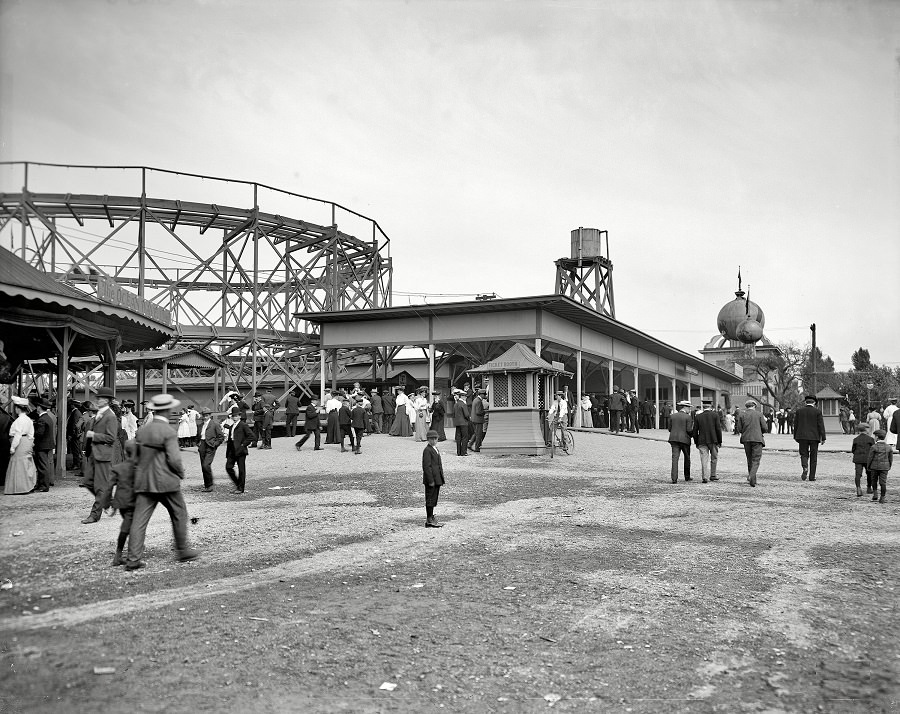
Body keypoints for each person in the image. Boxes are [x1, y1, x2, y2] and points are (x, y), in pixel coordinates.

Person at [124, 393, 199, 570]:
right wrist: (180, 473)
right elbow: (174, 459)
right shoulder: (168, 431)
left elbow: (131, 449)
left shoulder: (143, 430)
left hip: (145, 481)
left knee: (139, 520)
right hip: (166, 482)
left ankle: (133, 559)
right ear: (166, 410)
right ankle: (182, 550)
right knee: (179, 513)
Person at [82, 387, 119, 523]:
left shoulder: (110, 416)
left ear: (108, 401)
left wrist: (94, 435)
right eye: (97, 398)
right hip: (94, 453)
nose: (98, 400)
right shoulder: (100, 414)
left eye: (101, 398)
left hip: (103, 454)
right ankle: (107, 501)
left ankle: (94, 515)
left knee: (100, 486)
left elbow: (111, 438)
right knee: (87, 482)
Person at [109, 440, 137, 566]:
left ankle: (126, 553)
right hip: (133, 503)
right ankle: (120, 556)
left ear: (125, 452)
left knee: (129, 526)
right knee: (127, 528)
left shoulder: (118, 468)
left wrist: (107, 504)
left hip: (120, 504)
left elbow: (108, 487)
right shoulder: (139, 468)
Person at [5, 396, 37, 495]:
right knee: (27, 464)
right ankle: (29, 485)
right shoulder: (28, 420)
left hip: (20, 442)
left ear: (18, 408)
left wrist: (12, 447)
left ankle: (19, 488)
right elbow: (31, 434)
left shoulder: (19, 421)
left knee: (18, 466)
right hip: (27, 442)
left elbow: (17, 435)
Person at [794, 394, 827, 482]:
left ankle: (805, 467)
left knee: (803, 454)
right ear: (814, 402)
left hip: (802, 436)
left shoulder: (799, 411)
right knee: (814, 457)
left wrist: (795, 436)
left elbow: (796, 425)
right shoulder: (817, 412)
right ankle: (812, 476)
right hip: (814, 437)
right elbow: (821, 425)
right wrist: (823, 437)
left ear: (806, 402)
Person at [737, 399, 768, 487]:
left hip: (746, 439)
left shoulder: (741, 414)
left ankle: (753, 481)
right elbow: (765, 428)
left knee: (749, 459)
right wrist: (759, 432)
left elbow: (739, 428)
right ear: (754, 406)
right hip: (757, 439)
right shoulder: (759, 414)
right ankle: (751, 476)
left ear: (746, 406)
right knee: (756, 459)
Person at [224, 406, 253, 494]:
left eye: (236, 416)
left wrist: (243, 444)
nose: (235, 417)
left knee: (241, 469)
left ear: (240, 416)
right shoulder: (232, 426)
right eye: (233, 416)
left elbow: (251, 436)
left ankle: (241, 488)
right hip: (232, 449)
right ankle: (237, 484)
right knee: (228, 467)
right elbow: (231, 438)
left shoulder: (243, 425)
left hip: (240, 449)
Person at [693, 398, 722, 483]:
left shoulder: (698, 416)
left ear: (703, 406)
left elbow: (695, 431)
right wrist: (719, 441)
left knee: (704, 459)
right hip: (713, 440)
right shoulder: (715, 415)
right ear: (710, 406)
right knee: (714, 458)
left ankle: (704, 476)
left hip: (702, 441)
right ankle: (713, 475)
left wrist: (696, 442)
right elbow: (718, 429)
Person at [196, 407, 224, 492]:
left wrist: (215, 444)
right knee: (203, 466)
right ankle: (207, 484)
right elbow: (198, 436)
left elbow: (221, 437)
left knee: (206, 465)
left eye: (207, 415)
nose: (205, 417)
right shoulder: (200, 425)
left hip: (210, 446)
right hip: (202, 445)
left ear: (210, 415)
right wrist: (198, 443)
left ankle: (210, 485)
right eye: (204, 415)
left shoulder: (214, 424)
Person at [32, 397, 56, 492]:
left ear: (39, 407)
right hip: (47, 444)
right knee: (43, 465)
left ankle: (44, 486)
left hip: (42, 445)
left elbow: (39, 433)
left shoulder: (42, 419)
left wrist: (32, 435)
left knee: (42, 466)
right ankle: (41, 484)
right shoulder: (48, 417)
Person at [422, 429, 445, 528]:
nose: (434, 441)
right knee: (430, 499)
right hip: (431, 480)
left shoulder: (435, 449)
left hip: (437, 478)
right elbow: (426, 467)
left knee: (434, 498)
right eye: (431, 439)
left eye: (435, 439)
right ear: (428, 439)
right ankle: (429, 518)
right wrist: (430, 480)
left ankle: (431, 516)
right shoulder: (427, 450)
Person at [668, 400, 693, 484]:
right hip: (685, 440)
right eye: (689, 408)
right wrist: (693, 435)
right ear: (685, 407)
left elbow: (669, 429)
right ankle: (687, 476)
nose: (690, 409)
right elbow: (689, 430)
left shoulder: (672, 416)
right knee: (687, 458)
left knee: (675, 459)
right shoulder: (688, 417)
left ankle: (674, 478)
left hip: (674, 439)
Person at [867, 429, 892, 503]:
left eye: (875, 436)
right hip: (885, 467)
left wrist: (869, 466)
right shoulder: (888, 447)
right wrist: (889, 466)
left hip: (874, 467)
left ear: (877, 437)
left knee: (874, 480)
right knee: (883, 482)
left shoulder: (873, 447)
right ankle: (882, 497)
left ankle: (875, 494)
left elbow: (870, 458)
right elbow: (890, 458)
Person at [851, 424, 875, 497]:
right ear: (865, 430)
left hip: (858, 459)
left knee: (858, 474)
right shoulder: (870, 439)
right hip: (868, 459)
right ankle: (869, 488)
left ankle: (858, 488)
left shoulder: (855, 439)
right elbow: (873, 449)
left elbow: (853, 450)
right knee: (869, 474)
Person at [452, 390, 470, 456]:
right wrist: (469, 419)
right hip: (464, 422)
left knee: (458, 437)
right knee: (465, 437)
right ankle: (464, 452)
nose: (466, 398)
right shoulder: (463, 404)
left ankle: (458, 452)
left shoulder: (456, 404)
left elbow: (453, 414)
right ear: (462, 397)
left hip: (457, 423)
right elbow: (466, 414)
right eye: (465, 397)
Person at [0, 397, 12, 490]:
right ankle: (2, 479)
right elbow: (10, 432)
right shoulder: (7, 417)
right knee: (4, 462)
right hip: (4, 442)